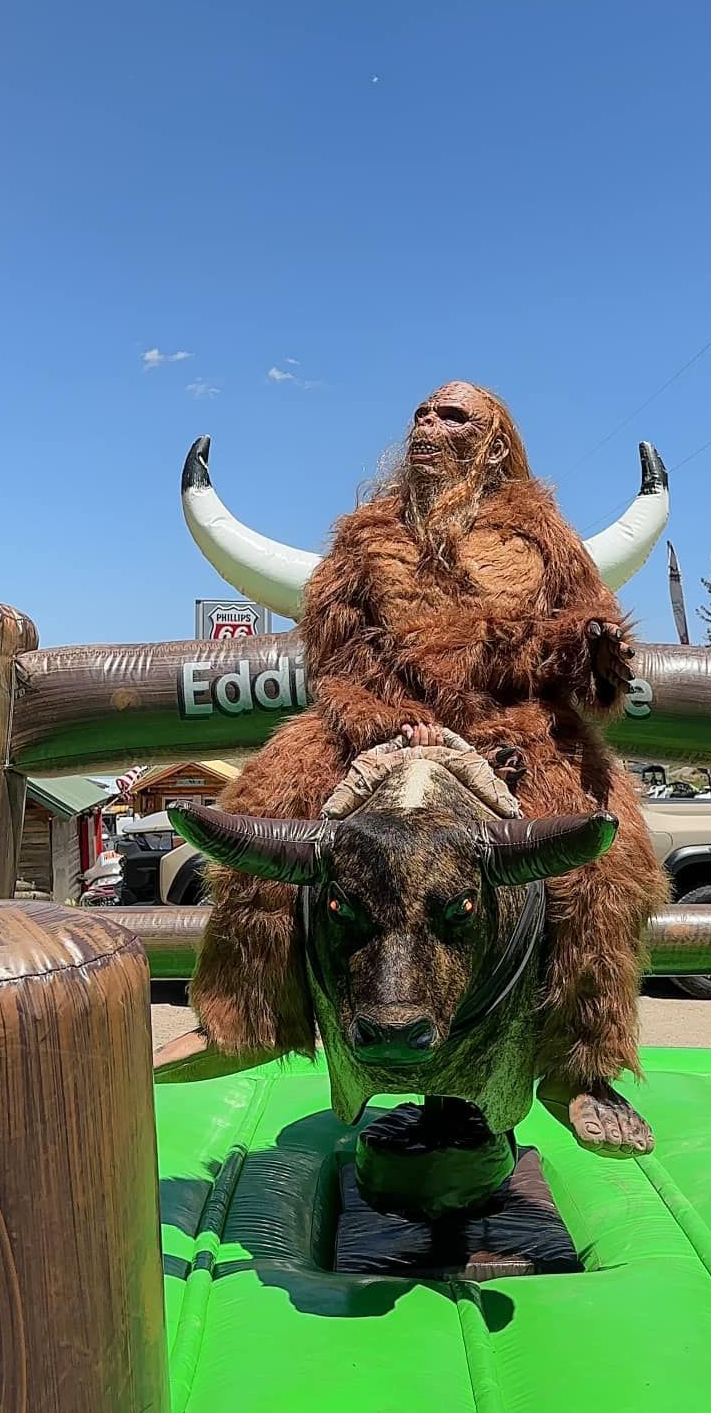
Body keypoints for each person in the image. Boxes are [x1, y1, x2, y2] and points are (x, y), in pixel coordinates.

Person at [179, 382, 668, 1155]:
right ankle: (247, 1017)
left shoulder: (547, 541)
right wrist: (378, 718)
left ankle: (582, 1064)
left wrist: (597, 649)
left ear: (495, 441)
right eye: (422, 412)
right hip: (383, 720)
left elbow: (583, 654)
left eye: (452, 416)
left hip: (518, 728)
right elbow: (336, 660)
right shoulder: (367, 537)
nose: (426, 425)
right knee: (264, 820)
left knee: (607, 862)